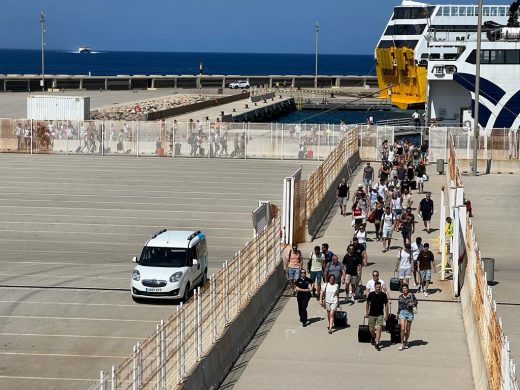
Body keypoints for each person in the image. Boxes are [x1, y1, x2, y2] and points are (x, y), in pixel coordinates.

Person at [366, 281, 389, 350]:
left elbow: (386, 305)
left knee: (379, 328)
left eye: (379, 287)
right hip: (372, 314)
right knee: (371, 328)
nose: (378, 288)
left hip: (380, 314)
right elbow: (367, 304)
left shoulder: (383, 295)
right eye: (377, 287)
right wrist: (367, 313)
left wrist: (386, 315)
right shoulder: (371, 294)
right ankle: (374, 336)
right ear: (375, 287)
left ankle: (377, 343)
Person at [397, 283, 418, 350]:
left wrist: (412, 303)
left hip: (409, 313)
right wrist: (397, 313)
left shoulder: (411, 295)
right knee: (402, 328)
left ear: (408, 289)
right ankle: (402, 343)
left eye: (405, 288)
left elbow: (416, 301)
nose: (404, 290)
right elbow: (399, 306)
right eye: (403, 289)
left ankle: (406, 342)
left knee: (408, 328)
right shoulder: (400, 296)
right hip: (402, 312)